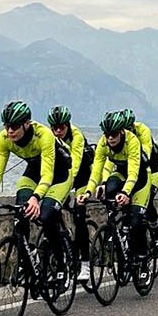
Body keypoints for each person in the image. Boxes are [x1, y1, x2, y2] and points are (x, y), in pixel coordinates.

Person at [0, 100, 73, 275]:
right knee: (20, 213)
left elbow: (47, 174)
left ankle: (62, 263)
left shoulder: (44, 135)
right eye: (6, 126)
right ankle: (26, 257)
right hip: (33, 172)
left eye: (14, 126)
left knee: (46, 215)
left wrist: (35, 198)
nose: (10, 130)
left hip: (60, 175)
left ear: (27, 124)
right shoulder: (4, 138)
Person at [81, 110, 151, 261]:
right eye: (107, 134)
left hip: (140, 180)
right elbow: (96, 171)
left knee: (136, 220)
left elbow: (133, 174)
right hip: (120, 174)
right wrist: (88, 192)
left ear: (121, 131)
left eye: (113, 134)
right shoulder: (103, 142)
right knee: (110, 188)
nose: (110, 138)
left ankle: (143, 257)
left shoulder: (132, 141)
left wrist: (126, 193)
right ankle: (118, 232)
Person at [47, 105, 94, 282]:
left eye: (62, 127)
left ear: (68, 125)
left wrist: (66, 190)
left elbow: (73, 167)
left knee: (78, 215)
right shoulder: (50, 138)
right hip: (60, 176)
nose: (58, 131)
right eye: (54, 128)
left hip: (81, 176)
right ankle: (64, 243)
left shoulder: (77, 136)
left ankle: (85, 263)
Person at [124, 108, 158, 253]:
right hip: (134, 169)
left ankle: (155, 230)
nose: (126, 131)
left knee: (149, 197)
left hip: (152, 168)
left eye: (129, 128)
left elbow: (145, 155)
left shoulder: (143, 130)